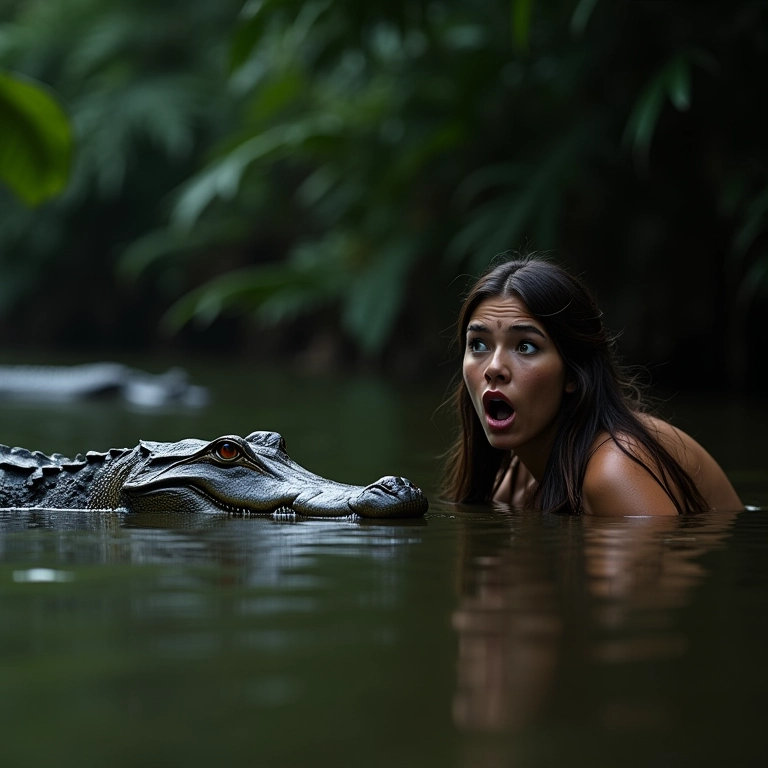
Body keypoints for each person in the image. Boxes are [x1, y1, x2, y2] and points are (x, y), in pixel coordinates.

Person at [441, 256, 743, 515]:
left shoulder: (615, 471)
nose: (493, 368)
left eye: (526, 347)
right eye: (478, 344)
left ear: (574, 374)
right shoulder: (517, 480)